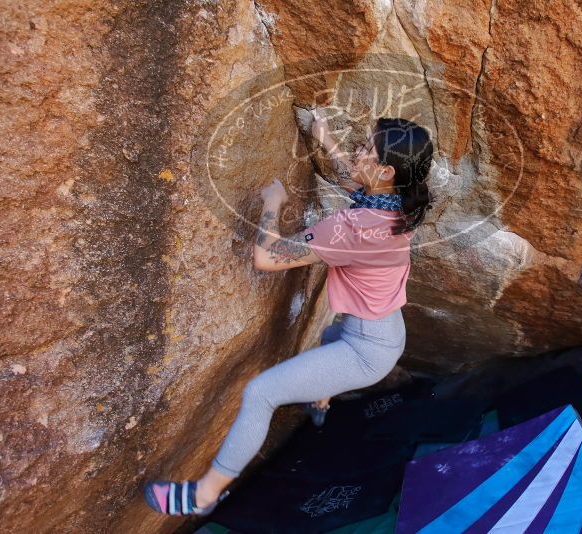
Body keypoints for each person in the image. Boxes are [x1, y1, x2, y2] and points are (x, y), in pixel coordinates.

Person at [143, 113, 435, 516]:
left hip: (366, 351)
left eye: (366, 147)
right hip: (380, 332)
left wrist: (272, 206)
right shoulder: (401, 200)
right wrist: (325, 138)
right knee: (327, 341)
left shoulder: (351, 227)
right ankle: (322, 398)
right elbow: (359, 183)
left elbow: (267, 257)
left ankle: (204, 495)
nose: (358, 150)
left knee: (260, 394)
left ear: (386, 169)